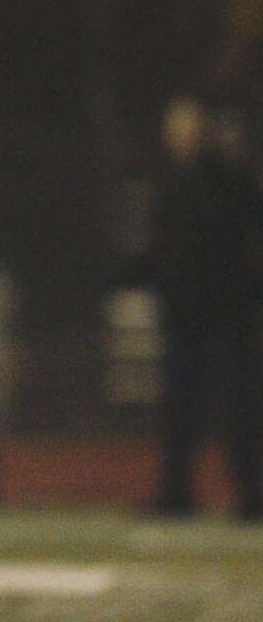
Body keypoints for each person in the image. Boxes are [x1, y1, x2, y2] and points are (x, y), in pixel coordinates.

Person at [145, 95, 263, 520]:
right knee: (180, 408)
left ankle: (249, 494)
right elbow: (157, 247)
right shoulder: (171, 182)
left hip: (228, 312)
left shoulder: (231, 179)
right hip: (184, 313)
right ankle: (176, 492)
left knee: (238, 407)